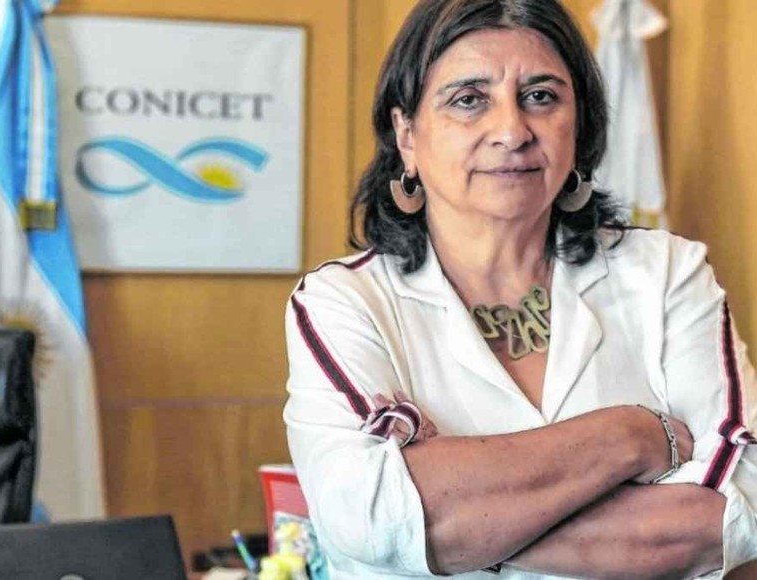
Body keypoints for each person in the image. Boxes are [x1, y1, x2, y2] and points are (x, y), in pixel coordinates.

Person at [283, 0, 757, 578]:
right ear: (406, 134)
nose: (511, 131)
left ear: (578, 124)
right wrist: (632, 435)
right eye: (469, 99)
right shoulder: (342, 302)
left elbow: (738, 514)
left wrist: (456, 521)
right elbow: (368, 517)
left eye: (540, 96)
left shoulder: (665, 272)